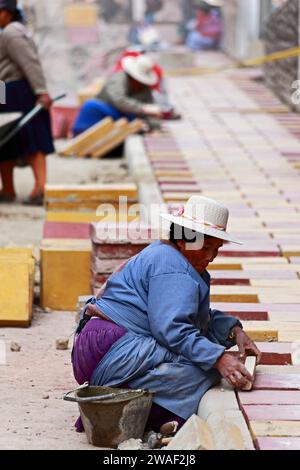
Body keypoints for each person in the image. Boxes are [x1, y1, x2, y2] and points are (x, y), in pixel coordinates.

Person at [72, 196, 261, 432]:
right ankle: (139, 412)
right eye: (205, 247)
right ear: (183, 240)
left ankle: (125, 397)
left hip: (101, 342)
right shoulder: (173, 267)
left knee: (202, 352)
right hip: (111, 346)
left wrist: (234, 331)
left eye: (216, 249)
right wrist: (218, 359)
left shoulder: (173, 257)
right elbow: (173, 330)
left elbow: (189, 316)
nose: (210, 256)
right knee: (201, 371)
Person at [0, 0, 54, 205]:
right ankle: (7, 190)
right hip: (5, 89)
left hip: (18, 90)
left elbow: (29, 62)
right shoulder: (7, 32)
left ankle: (40, 189)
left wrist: (41, 91)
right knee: (5, 142)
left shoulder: (12, 32)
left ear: (6, 12)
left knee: (31, 137)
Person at [72, 55, 163, 136]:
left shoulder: (144, 88)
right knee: (90, 105)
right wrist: (142, 108)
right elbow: (118, 100)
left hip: (127, 116)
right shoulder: (119, 78)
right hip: (109, 110)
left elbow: (150, 109)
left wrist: (155, 127)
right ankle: (81, 132)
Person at [112, 47, 181, 120]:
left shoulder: (149, 67)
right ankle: (165, 111)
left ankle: (165, 110)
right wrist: (143, 108)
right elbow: (118, 98)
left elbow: (153, 95)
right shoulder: (121, 74)